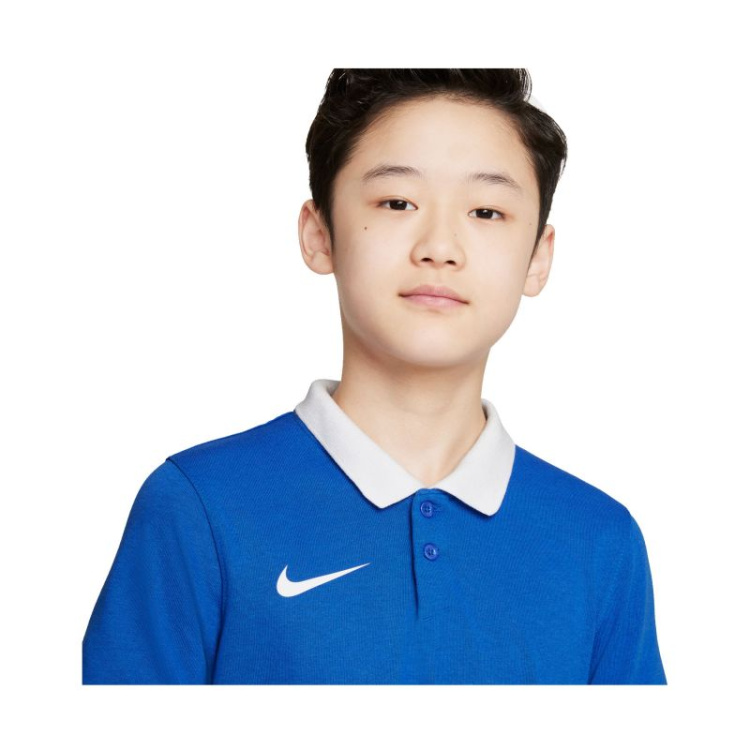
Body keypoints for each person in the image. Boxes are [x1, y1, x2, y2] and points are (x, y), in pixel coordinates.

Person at [82, 68, 667, 684]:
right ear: (319, 234)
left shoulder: (599, 541)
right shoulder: (198, 507)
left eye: (487, 211)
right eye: (397, 203)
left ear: (538, 258)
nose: (440, 247)